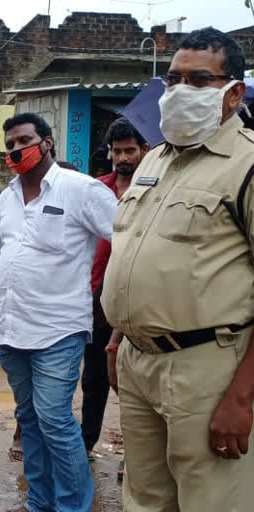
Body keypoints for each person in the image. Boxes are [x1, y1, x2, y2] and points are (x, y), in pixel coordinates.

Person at [102, 28, 254, 511]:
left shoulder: (247, 165)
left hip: (208, 367)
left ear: (233, 94)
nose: (180, 91)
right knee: (144, 500)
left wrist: (243, 397)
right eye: (173, 80)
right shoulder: (154, 161)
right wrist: (120, 337)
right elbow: (139, 254)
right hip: (138, 361)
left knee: (210, 501)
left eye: (199, 80)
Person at [0, 113, 117, 512]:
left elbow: (127, 241)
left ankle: (73, 506)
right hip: (11, 329)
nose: (16, 149)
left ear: (47, 141)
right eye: (9, 143)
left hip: (59, 329)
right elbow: (4, 254)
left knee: (55, 420)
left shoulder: (82, 190)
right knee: (29, 421)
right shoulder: (5, 197)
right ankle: (39, 503)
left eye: (23, 140)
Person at [82, 118, 148, 468]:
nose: (122, 157)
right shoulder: (95, 189)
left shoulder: (155, 191)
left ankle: (135, 455)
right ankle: (85, 443)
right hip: (95, 298)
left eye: (129, 150)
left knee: (134, 380)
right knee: (94, 378)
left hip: (140, 298)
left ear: (144, 151)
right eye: (117, 151)